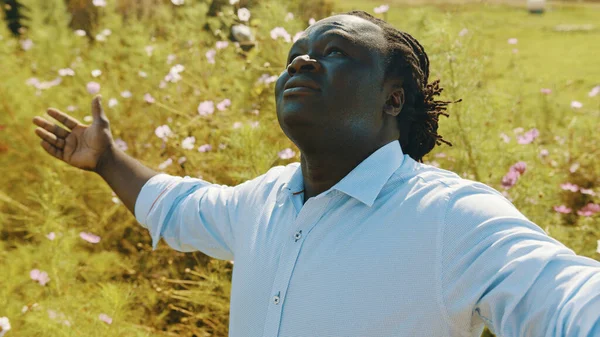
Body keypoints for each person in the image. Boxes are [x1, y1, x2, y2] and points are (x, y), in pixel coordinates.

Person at [32, 10, 599, 337]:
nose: (301, 61)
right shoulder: (264, 200)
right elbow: (176, 207)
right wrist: (107, 161)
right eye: (294, 56)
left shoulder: (451, 218)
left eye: (335, 51)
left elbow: (567, 297)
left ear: (392, 99)